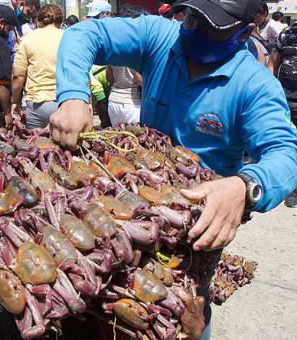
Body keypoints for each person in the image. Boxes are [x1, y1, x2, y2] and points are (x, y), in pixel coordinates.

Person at [50, 0, 297, 337]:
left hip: (193, 230)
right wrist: (74, 95)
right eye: (192, 15)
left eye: (211, 25)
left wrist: (245, 185)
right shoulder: (160, 37)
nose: (194, 28)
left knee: (184, 315)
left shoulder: (254, 86)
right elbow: (84, 34)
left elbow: (285, 153)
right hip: (131, 205)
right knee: (114, 301)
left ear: (245, 32)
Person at [11, 4, 63, 129]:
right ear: (61, 22)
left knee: (38, 145)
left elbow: (18, 75)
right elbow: (81, 72)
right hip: (65, 103)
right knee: (67, 146)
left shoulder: (27, 40)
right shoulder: (69, 38)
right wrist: (87, 101)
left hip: (37, 105)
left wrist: (15, 102)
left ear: (39, 21)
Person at [267, 23, 297, 207]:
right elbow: (272, 63)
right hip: (285, 101)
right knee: (288, 143)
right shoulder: (287, 33)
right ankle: (292, 188)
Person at [106, 5, 147, 126]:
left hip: (114, 101)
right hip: (133, 104)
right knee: (135, 142)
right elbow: (140, 80)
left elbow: (110, 79)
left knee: (117, 140)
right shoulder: (137, 46)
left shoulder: (113, 45)